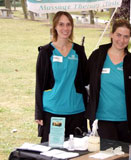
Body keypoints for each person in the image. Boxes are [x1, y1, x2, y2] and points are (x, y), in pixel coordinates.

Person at [86, 19, 131, 143]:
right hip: (102, 119)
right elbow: (84, 80)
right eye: (118, 35)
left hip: (128, 121)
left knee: (125, 155)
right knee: (108, 154)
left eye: (126, 36)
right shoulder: (97, 56)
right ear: (111, 34)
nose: (121, 40)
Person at [35, 11, 88, 142]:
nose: (65, 28)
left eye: (68, 24)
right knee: (53, 151)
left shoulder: (79, 51)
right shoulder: (46, 52)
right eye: (61, 24)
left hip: (76, 110)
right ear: (55, 27)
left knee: (77, 153)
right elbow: (39, 83)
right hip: (53, 111)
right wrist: (39, 112)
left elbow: (87, 79)